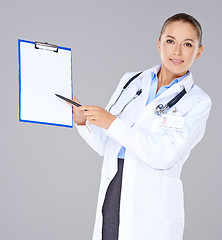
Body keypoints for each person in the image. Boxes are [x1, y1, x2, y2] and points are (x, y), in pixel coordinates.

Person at [69, 13, 211, 240]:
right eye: (170, 41)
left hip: (152, 202)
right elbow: (106, 144)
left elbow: (164, 155)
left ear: (199, 51)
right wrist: (84, 122)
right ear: (159, 44)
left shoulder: (198, 101)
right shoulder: (131, 81)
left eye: (187, 44)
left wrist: (112, 123)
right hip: (115, 185)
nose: (177, 51)